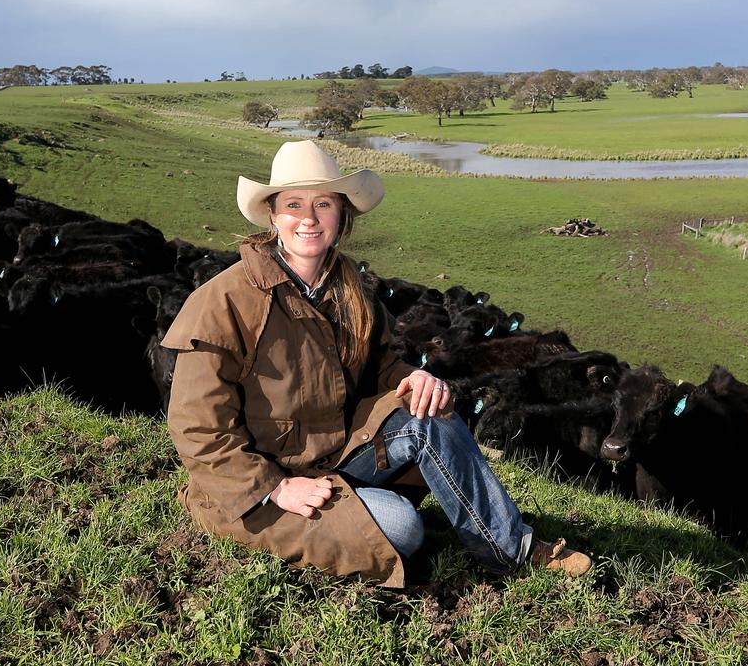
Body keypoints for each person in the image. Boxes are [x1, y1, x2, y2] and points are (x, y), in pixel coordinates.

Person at [162, 140, 591, 587]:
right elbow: (197, 427)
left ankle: (510, 549)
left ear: (340, 215)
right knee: (402, 527)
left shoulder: (352, 289)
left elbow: (384, 362)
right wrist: (276, 486)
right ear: (273, 215)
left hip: (337, 455)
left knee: (429, 411)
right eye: (293, 204)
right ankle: (362, 509)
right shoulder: (223, 302)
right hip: (254, 486)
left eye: (323, 204)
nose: (308, 218)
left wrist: (414, 378)